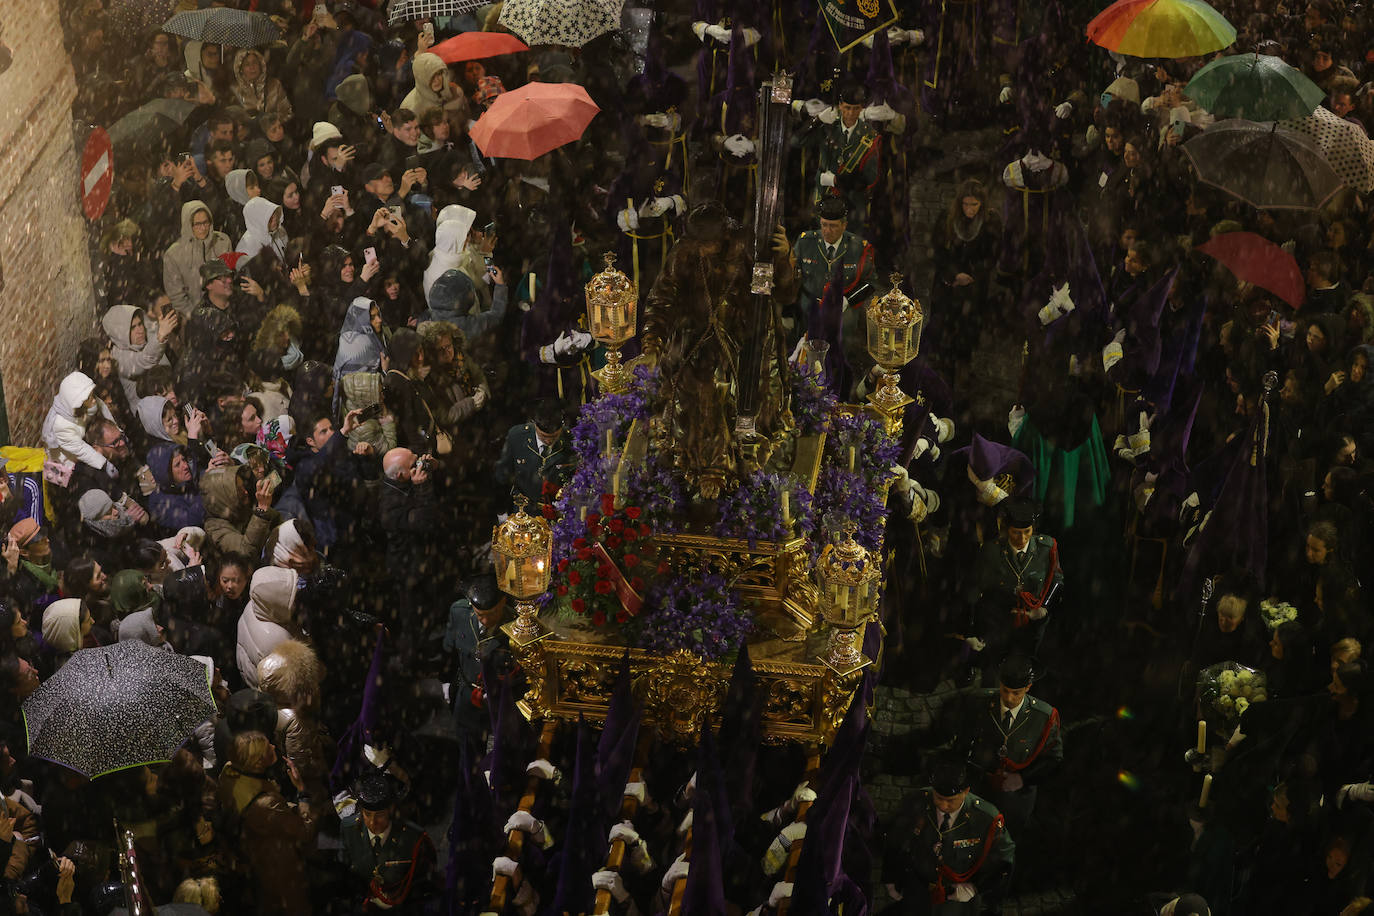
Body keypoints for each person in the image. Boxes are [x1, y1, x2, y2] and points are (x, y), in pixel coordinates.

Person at [881, 752, 1015, 914]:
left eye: (951, 800)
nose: (943, 805)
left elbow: (1004, 861)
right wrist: (890, 877)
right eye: (938, 798)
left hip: (958, 903)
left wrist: (975, 887)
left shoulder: (986, 818)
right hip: (918, 892)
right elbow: (895, 839)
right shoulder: (916, 802)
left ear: (966, 791)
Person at [945, 655, 1063, 835]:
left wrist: (1023, 778)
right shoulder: (978, 703)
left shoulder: (1044, 717)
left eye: (1016, 693)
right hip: (979, 790)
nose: (1008, 698)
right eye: (1005, 690)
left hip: (1016, 800)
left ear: (1028, 688)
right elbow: (960, 745)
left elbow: (1053, 759)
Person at [216, 730, 318, 915]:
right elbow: (305, 831)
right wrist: (302, 792)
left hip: (253, 853)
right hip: (278, 865)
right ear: (257, 763)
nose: (272, 746)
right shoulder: (266, 804)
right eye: (267, 748)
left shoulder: (229, 770)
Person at [967, 497, 1063, 674]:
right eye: (1016, 533)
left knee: (1029, 665)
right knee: (997, 665)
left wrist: (1044, 607)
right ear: (1006, 530)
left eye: (1027, 531)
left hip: (1034, 621)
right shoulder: (991, 551)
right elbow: (975, 588)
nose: (1022, 538)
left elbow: (1057, 580)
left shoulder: (1046, 547)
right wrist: (970, 629)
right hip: (1000, 620)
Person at [339, 770, 436, 914]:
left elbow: (424, 882)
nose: (373, 822)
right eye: (367, 814)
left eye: (380, 815)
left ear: (391, 810)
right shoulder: (349, 829)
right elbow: (345, 872)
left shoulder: (413, 837)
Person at [444, 574, 512, 754]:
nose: (486, 621)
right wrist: (445, 681)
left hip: (502, 702)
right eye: (480, 615)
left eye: (493, 613)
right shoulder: (459, 613)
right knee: (468, 752)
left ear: (503, 601)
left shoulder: (517, 624)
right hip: (468, 697)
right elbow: (449, 651)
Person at [492, 400, 575, 511]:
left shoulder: (572, 440)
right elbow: (502, 474)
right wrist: (502, 512)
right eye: (543, 436)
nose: (548, 441)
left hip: (557, 513)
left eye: (554, 436)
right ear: (534, 424)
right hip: (523, 511)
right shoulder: (517, 436)